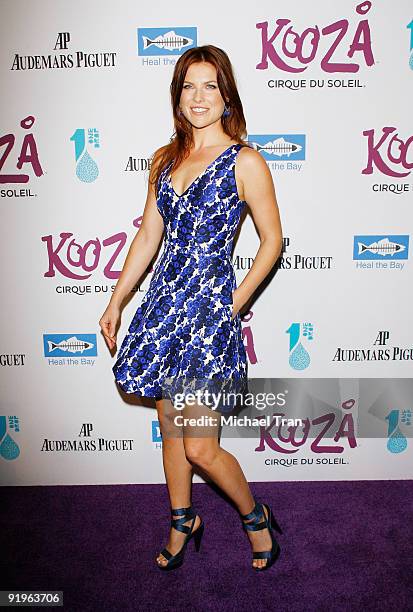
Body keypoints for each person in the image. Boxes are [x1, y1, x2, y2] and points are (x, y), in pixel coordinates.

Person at [99, 45, 283, 571]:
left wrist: (233, 302)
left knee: (201, 447)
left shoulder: (245, 161)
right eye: (188, 86)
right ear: (177, 96)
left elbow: (272, 240)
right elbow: (148, 236)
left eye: (210, 86)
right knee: (172, 434)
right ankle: (183, 520)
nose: (198, 97)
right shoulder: (166, 159)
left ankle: (255, 516)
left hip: (207, 315)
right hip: (161, 311)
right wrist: (117, 300)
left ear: (226, 96)